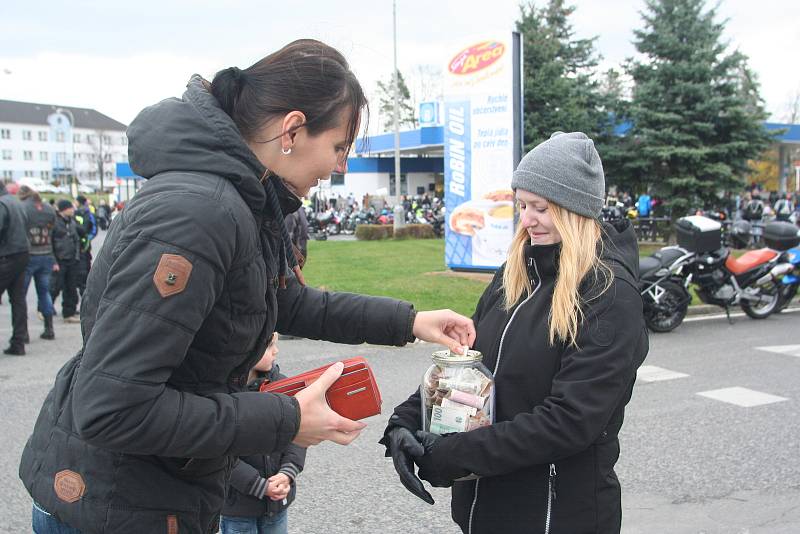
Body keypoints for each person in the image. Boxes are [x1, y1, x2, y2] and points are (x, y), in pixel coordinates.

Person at [20, 39, 475, 534]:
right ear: (293, 130)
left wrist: (409, 321)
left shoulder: (240, 199)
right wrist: (286, 419)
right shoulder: (199, 213)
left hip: (157, 491)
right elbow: (113, 408)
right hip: (115, 505)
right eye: (339, 147)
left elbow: (281, 300)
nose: (340, 166)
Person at [382, 132, 649, 534]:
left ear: (574, 208)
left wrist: (454, 455)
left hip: (555, 516)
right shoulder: (516, 274)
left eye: (540, 207)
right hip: (485, 509)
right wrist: (405, 421)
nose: (526, 219)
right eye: (521, 205)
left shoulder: (609, 294)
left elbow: (570, 421)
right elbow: (469, 366)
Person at [220, 333, 305, 534]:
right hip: (237, 508)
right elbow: (218, 451)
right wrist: (258, 485)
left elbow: (299, 434)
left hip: (277, 503)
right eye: (269, 346)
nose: (276, 350)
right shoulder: (223, 394)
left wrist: (287, 472)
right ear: (245, 350)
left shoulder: (284, 386)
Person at [18, 186, 57, 340]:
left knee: (21, 295)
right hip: (47, 253)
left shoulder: (23, 208)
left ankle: (24, 332)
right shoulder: (48, 208)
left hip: (29, 255)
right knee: (44, 292)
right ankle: (49, 328)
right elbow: (52, 230)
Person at [0, 182, 30, 355]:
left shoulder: (3, 204)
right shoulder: (16, 202)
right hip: (22, 253)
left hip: (7, 255)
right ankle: (19, 341)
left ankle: (18, 341)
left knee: (18, 299)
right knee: (18, 299)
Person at [50, 200, 84, 323]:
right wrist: (53, 260)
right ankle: (45, 309)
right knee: (55, 286)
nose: (73, 210)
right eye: (70, 208)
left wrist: (76, 256)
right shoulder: (54, 222)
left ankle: (68, 313)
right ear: (64, 209)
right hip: (59, 260)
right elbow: (50, 242)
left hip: (71, 259)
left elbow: (76, 239)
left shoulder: (71, 222)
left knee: (71, 287)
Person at [73, 195, 97, 296]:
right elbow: (94, 230)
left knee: (83, 270)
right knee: (84, 270)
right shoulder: (75, 213)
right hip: (82, 246)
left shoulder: (85, 213)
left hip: (81, 246)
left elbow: (94, 229)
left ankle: (85, 293)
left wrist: (86, 239)